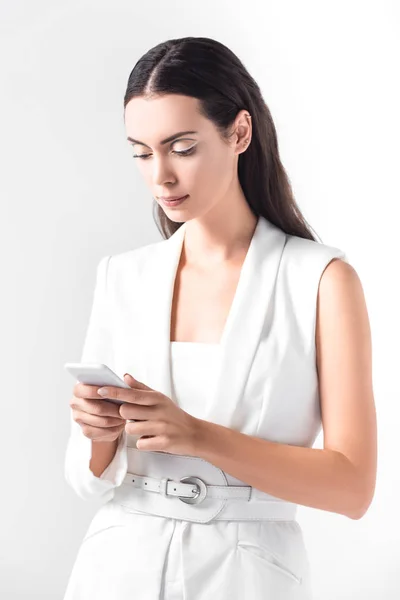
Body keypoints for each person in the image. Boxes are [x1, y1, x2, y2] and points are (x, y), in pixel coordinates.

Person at [63, 36, 377, 599]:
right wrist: (98, 435)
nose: (159, 175)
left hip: (246, 576)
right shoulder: (122, 277)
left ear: (239, 132)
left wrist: (200, 436)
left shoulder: (321, 280)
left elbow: (353, 489)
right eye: (140, 152)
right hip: (116, 567)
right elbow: (88, 479)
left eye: (181, 147)